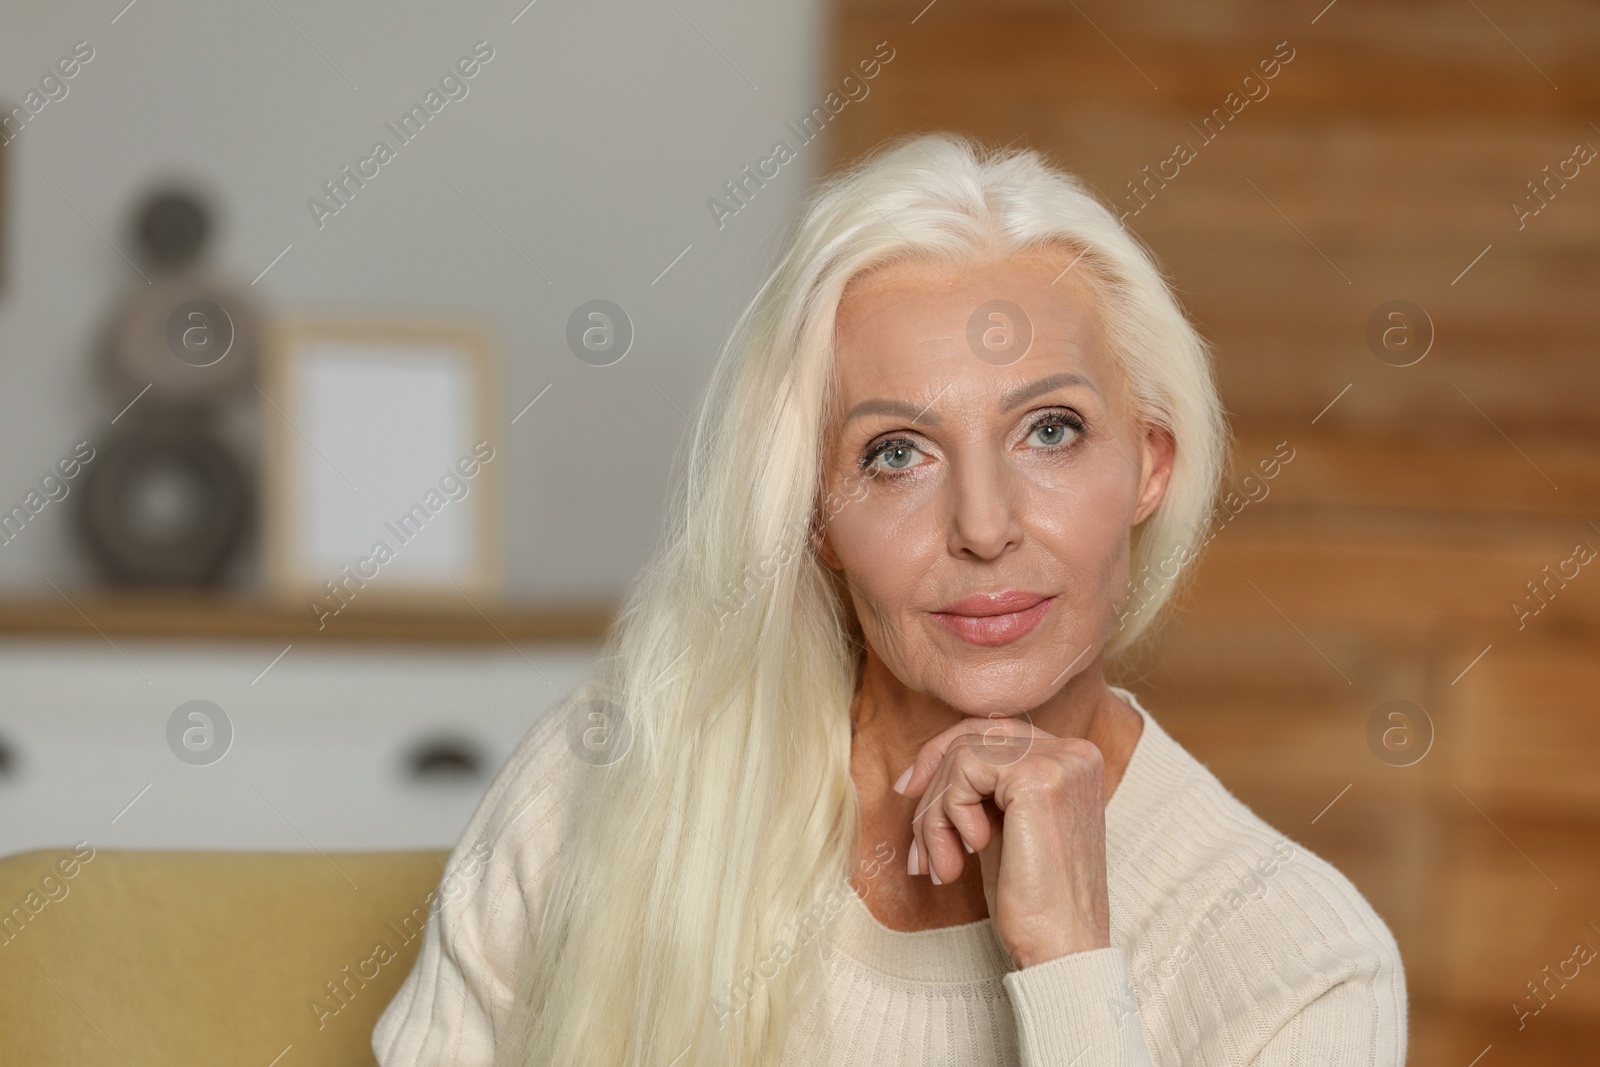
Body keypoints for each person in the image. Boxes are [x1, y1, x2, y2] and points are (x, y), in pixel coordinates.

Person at [373, 132, 1407, 1066]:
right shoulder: (610, 772)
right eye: (896, 452)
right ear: (813, 513)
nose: (985, 524)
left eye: (1049, 429)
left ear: (1148, 466)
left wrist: (1070, 967)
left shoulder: (1298, 960)